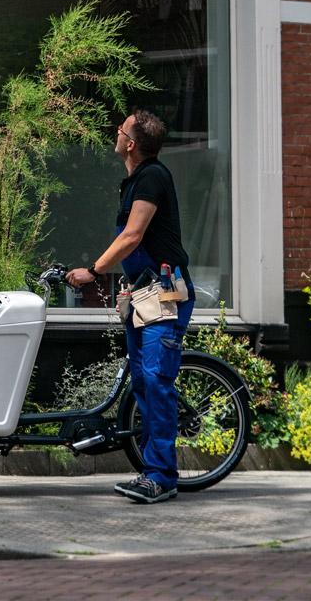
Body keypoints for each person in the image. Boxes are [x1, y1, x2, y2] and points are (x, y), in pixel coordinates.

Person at [66, 109, 193, 504]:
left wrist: (93, 270)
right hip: (142, 294)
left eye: (120, 130)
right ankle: (152, 471)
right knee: (142, 383)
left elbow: (133, 236)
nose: (115, 134)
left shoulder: (152, 176)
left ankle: (162, 477)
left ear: (132, 143)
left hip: (164, 295)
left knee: (155, 381)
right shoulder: (133, 181)